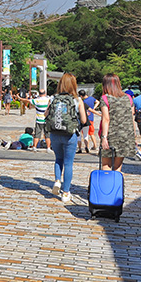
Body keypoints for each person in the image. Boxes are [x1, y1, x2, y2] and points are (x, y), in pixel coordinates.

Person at [47, 73, 87, 203]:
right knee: (68, 163)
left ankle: (57, 180)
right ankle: (65, 192)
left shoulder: (53, 98)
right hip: (70, 135)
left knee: (58, 159)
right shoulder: (77, 100)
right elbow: (83, 119)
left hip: (54, 134)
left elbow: (46, 114)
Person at [98, 74, 135, 173]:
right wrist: (134, 135)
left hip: (111, 135)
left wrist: (104, 137)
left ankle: (106, 187)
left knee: (106, 165)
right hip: (126, 135)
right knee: (118, 167)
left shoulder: (105, 98)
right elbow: (131, 117)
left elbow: (106, 119)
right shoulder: (128, 98)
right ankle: (116, 187)